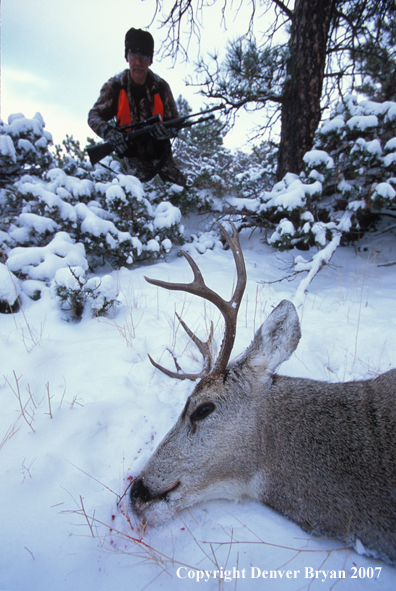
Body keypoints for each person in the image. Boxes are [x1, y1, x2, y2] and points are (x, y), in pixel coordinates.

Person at [88, 28, 186, 186]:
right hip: (134, 159)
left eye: (144, 56)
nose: (138, 62)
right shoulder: (115, 86)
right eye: (134, 55)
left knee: (182, 194)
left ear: (150, 60)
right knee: (140, 198)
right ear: (127, 56)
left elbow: (176, 123)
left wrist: (166, 131)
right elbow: (94, 116)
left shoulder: (161, 87)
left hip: (162, 157)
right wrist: (109, 132)